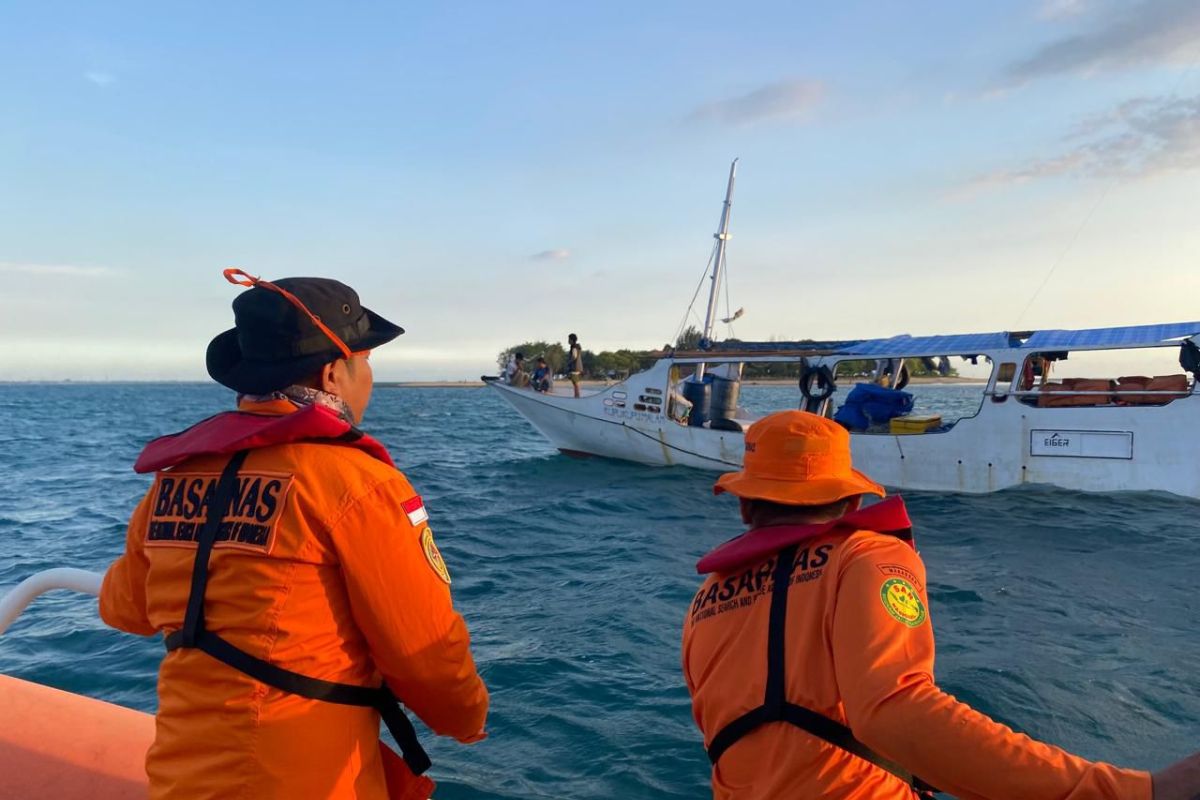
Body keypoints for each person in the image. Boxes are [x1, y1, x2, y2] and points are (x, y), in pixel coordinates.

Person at [98, 269, 489, 800]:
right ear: (333, 374)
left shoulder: (175, 479)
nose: (368, 377)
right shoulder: (359, 484)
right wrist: (465, 719)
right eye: (366, 361)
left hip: (179, 778)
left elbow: (125, 608)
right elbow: (422, 652)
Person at [682, 409, 1200, 800]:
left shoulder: (705, 602)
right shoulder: (865, 553)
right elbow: (892, 709)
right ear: (852, 501)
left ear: (746, 504)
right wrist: (1134, 790)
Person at [566, 333, 584, 398]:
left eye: (569, 339)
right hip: (577, 367)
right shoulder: (576, 347)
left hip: (575, 368)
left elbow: (574, 356)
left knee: (575, 383)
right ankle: (576, 396)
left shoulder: (574, 347)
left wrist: (569, 362)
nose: (568, 340)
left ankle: (577, 396)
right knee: (575, 383)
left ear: (571, 340)